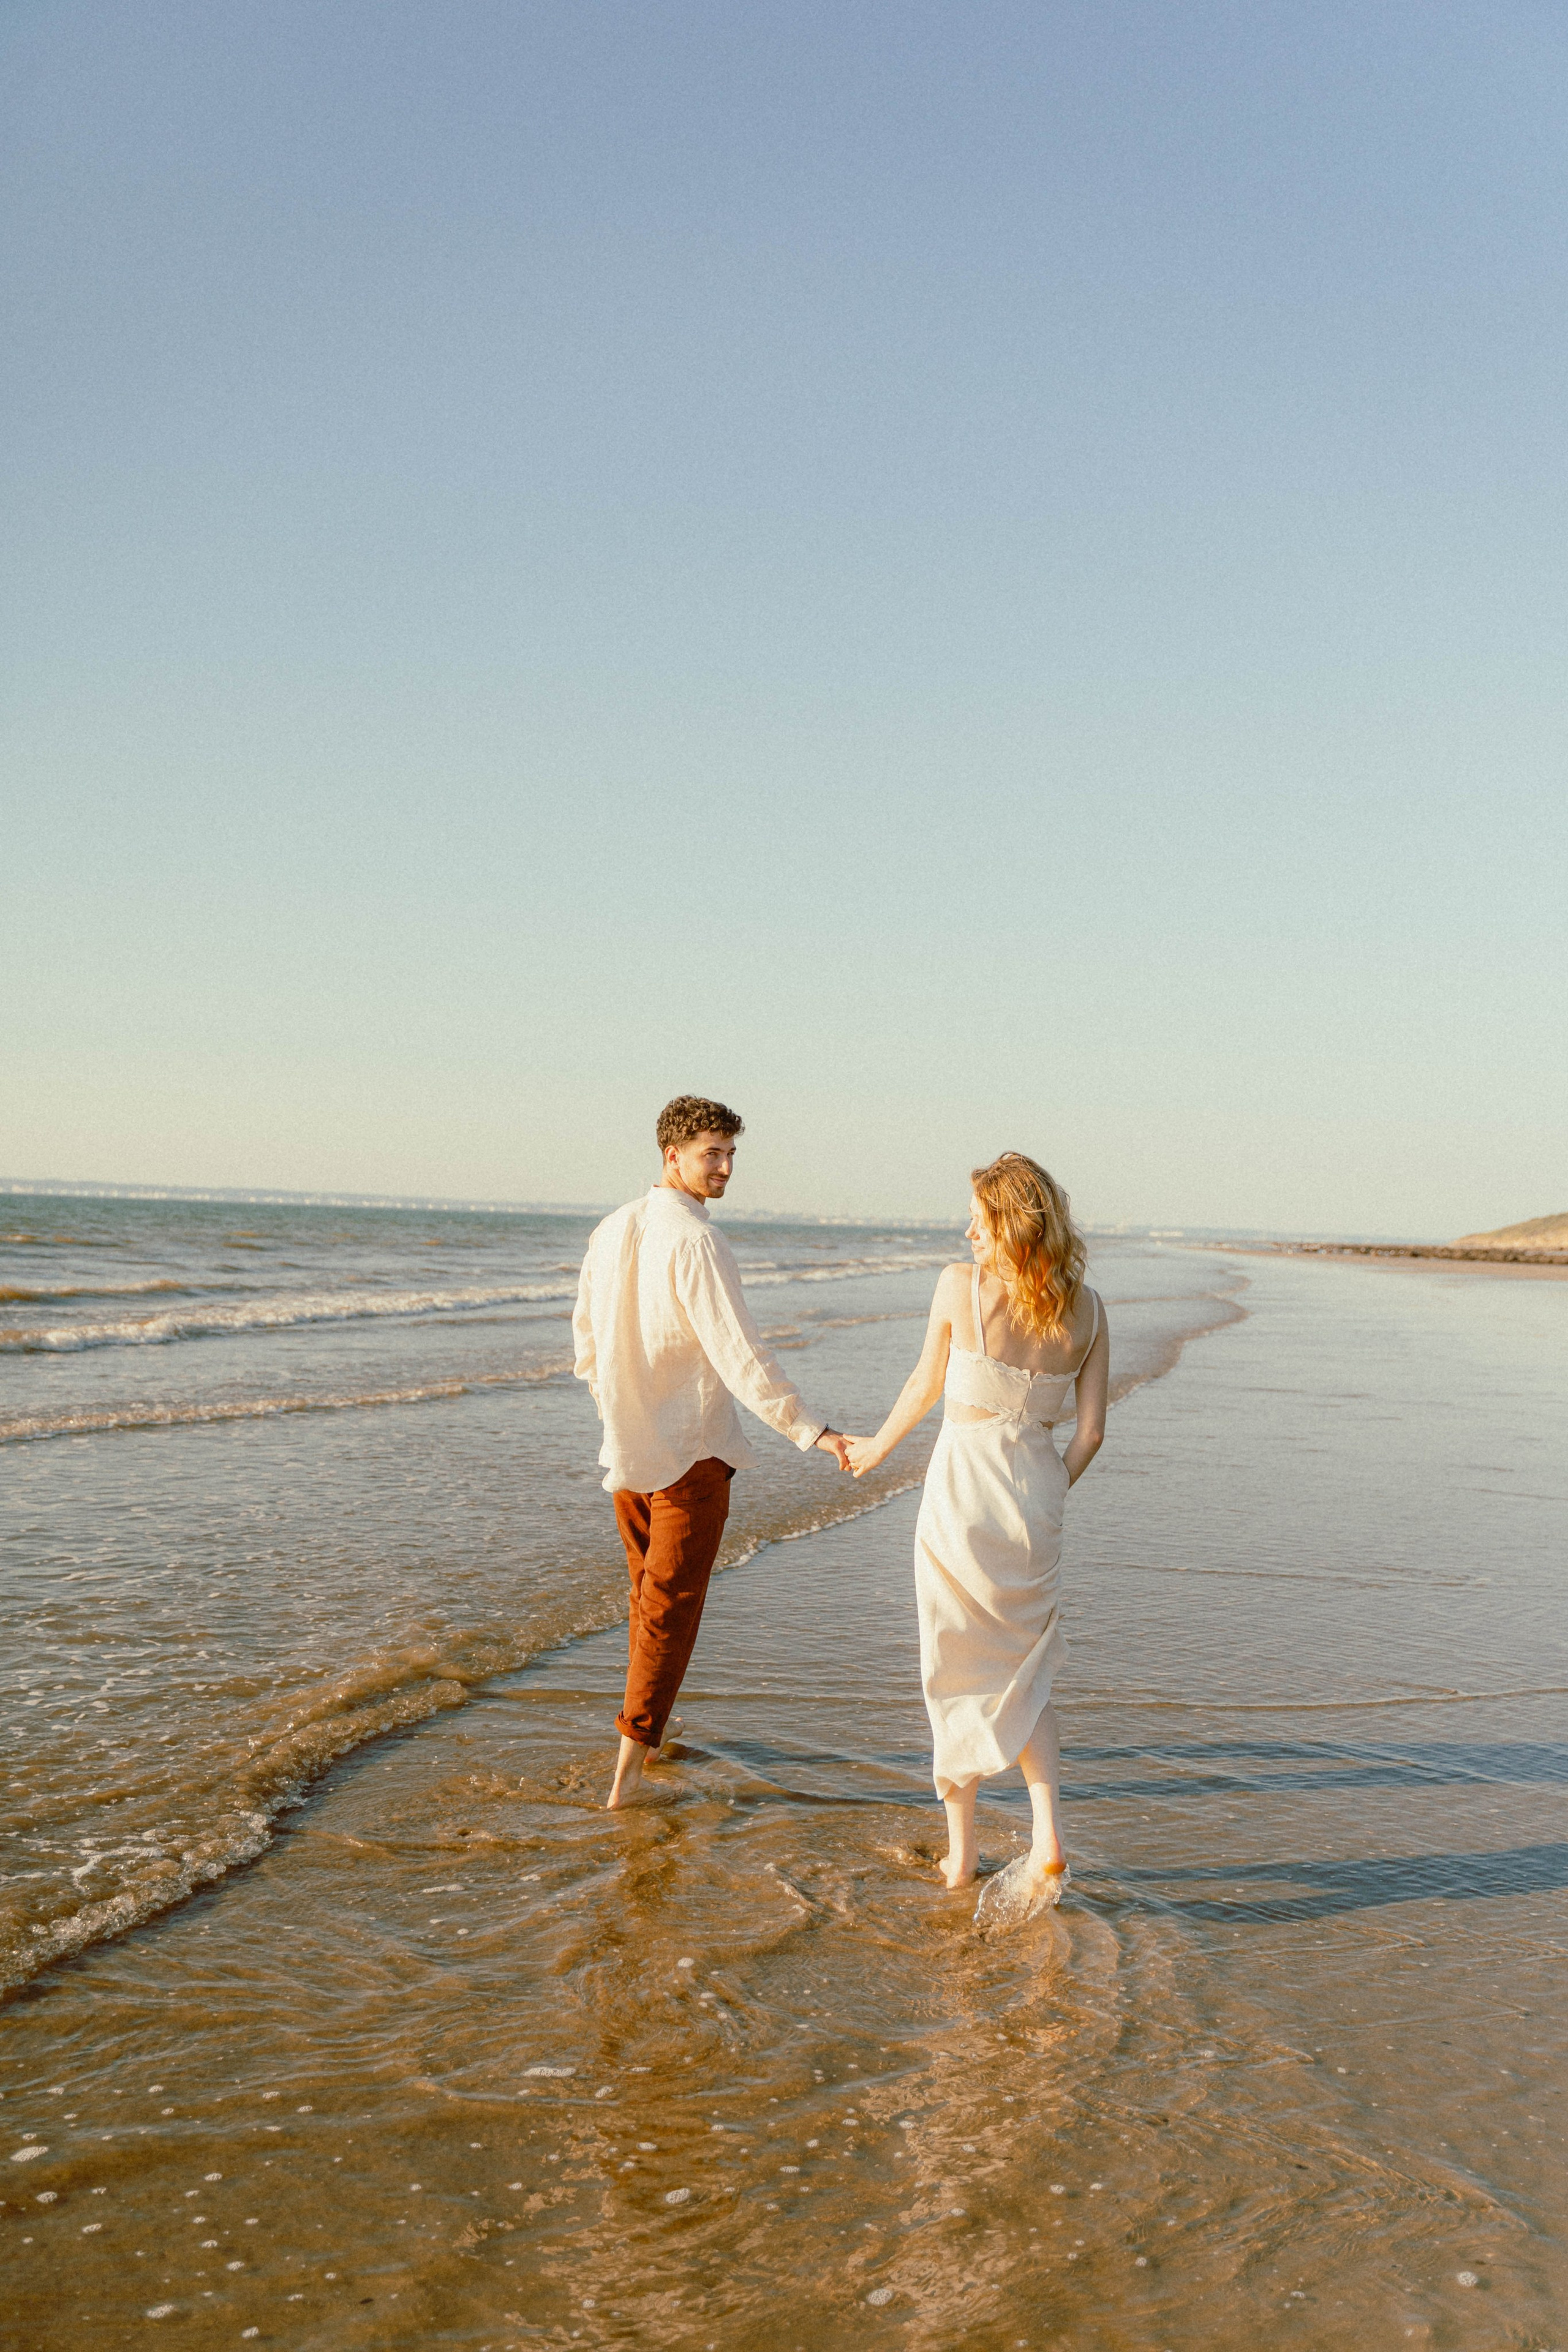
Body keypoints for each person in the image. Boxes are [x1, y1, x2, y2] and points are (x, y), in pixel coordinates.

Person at [845, 1153, 1109, 1921]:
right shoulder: (1088, 1309)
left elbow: (923, 1385)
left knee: (951, 1665)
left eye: (979, 1219)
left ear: (1011, 1223)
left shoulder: (958, 1288)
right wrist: (1050, 1488)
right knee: (1026, 1672)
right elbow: (1090, 1433)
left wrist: (872, 1450)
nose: (966, 1231)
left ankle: (961, 1856)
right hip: (1037, 1504)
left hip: (962, 1499)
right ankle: (1048, 1835)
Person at [573, 1095, 851, 1808]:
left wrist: (620, 1411)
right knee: (669, 1611)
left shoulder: (610, 1230)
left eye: (730, 1154)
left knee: (650, 1604)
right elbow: (740, 1354)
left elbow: (585, 1347)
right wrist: (811, 1430)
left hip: (627, 1451)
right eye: (711, 1155)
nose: (725, 1168)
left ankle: (646, 1743)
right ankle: (625, 1781)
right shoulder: (696, 1240)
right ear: (672, 1156)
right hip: (689, 1454)